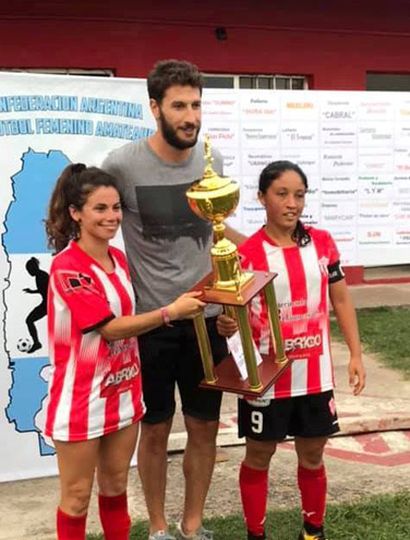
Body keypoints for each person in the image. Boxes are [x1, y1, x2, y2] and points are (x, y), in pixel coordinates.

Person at [102, 59, 245, 540]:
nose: (190, 115)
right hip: (152, 324)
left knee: (204, 429)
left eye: (197, 104)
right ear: (155, 108)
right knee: (157, 431)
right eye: (179, 105)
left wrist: (230, 300)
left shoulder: (212, 161)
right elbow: (98, 225)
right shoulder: (122, 165)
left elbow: (217, 240)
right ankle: (160, 528)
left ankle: (194, 524)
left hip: (206, 324)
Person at [42, 163, 205, 540]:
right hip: (81, 398)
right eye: (100, 209)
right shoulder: (67, 267)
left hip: (123, 391)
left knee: (116, 487)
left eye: (116, 208)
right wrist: (170, 312)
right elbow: (109, 328)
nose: (112, 217)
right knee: (77, 496)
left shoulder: (119, 260)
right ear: (75, 213)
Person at [217, 160, 366, 540]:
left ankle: (313, 532)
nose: (292, 203)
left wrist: (356, 354)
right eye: (281, 194)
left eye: (298, 195)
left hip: (314, 377)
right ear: (262, 197)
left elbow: (342, 301)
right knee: (258, 457)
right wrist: (226, 324)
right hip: (267, 379)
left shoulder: (322, 242)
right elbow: (232, 316)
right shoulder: (246, 254)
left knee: (313, 456)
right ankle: (256, 534)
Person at [23, 256, 49, 353]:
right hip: (46, 304)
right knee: (29, 320)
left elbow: (47, 290)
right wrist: (32, 291)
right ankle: (37, 343)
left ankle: (37, 343)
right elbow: (43, 290)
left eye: (29, 270)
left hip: (48, 304)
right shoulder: (40, 276)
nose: (29, 272)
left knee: (29, 320)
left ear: (33, 268)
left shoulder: (41, 276)